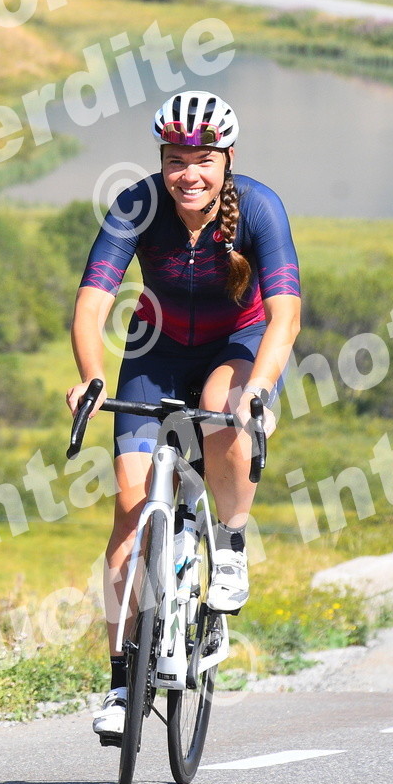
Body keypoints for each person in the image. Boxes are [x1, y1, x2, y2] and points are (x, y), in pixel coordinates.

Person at [65, 91, 301, 739]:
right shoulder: (137, 205)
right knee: (129, 507)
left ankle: (230, 544)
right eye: (175, 160)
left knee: (222, 410)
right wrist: (91, 374)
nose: (187, 174)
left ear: (227, 159)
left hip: (238, 345)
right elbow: (92, 303)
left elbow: (285, 315)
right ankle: (122, 682)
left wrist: (261, 387)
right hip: (158, 349)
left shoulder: (260, 207)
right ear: (161, 160)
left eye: (202, 160)